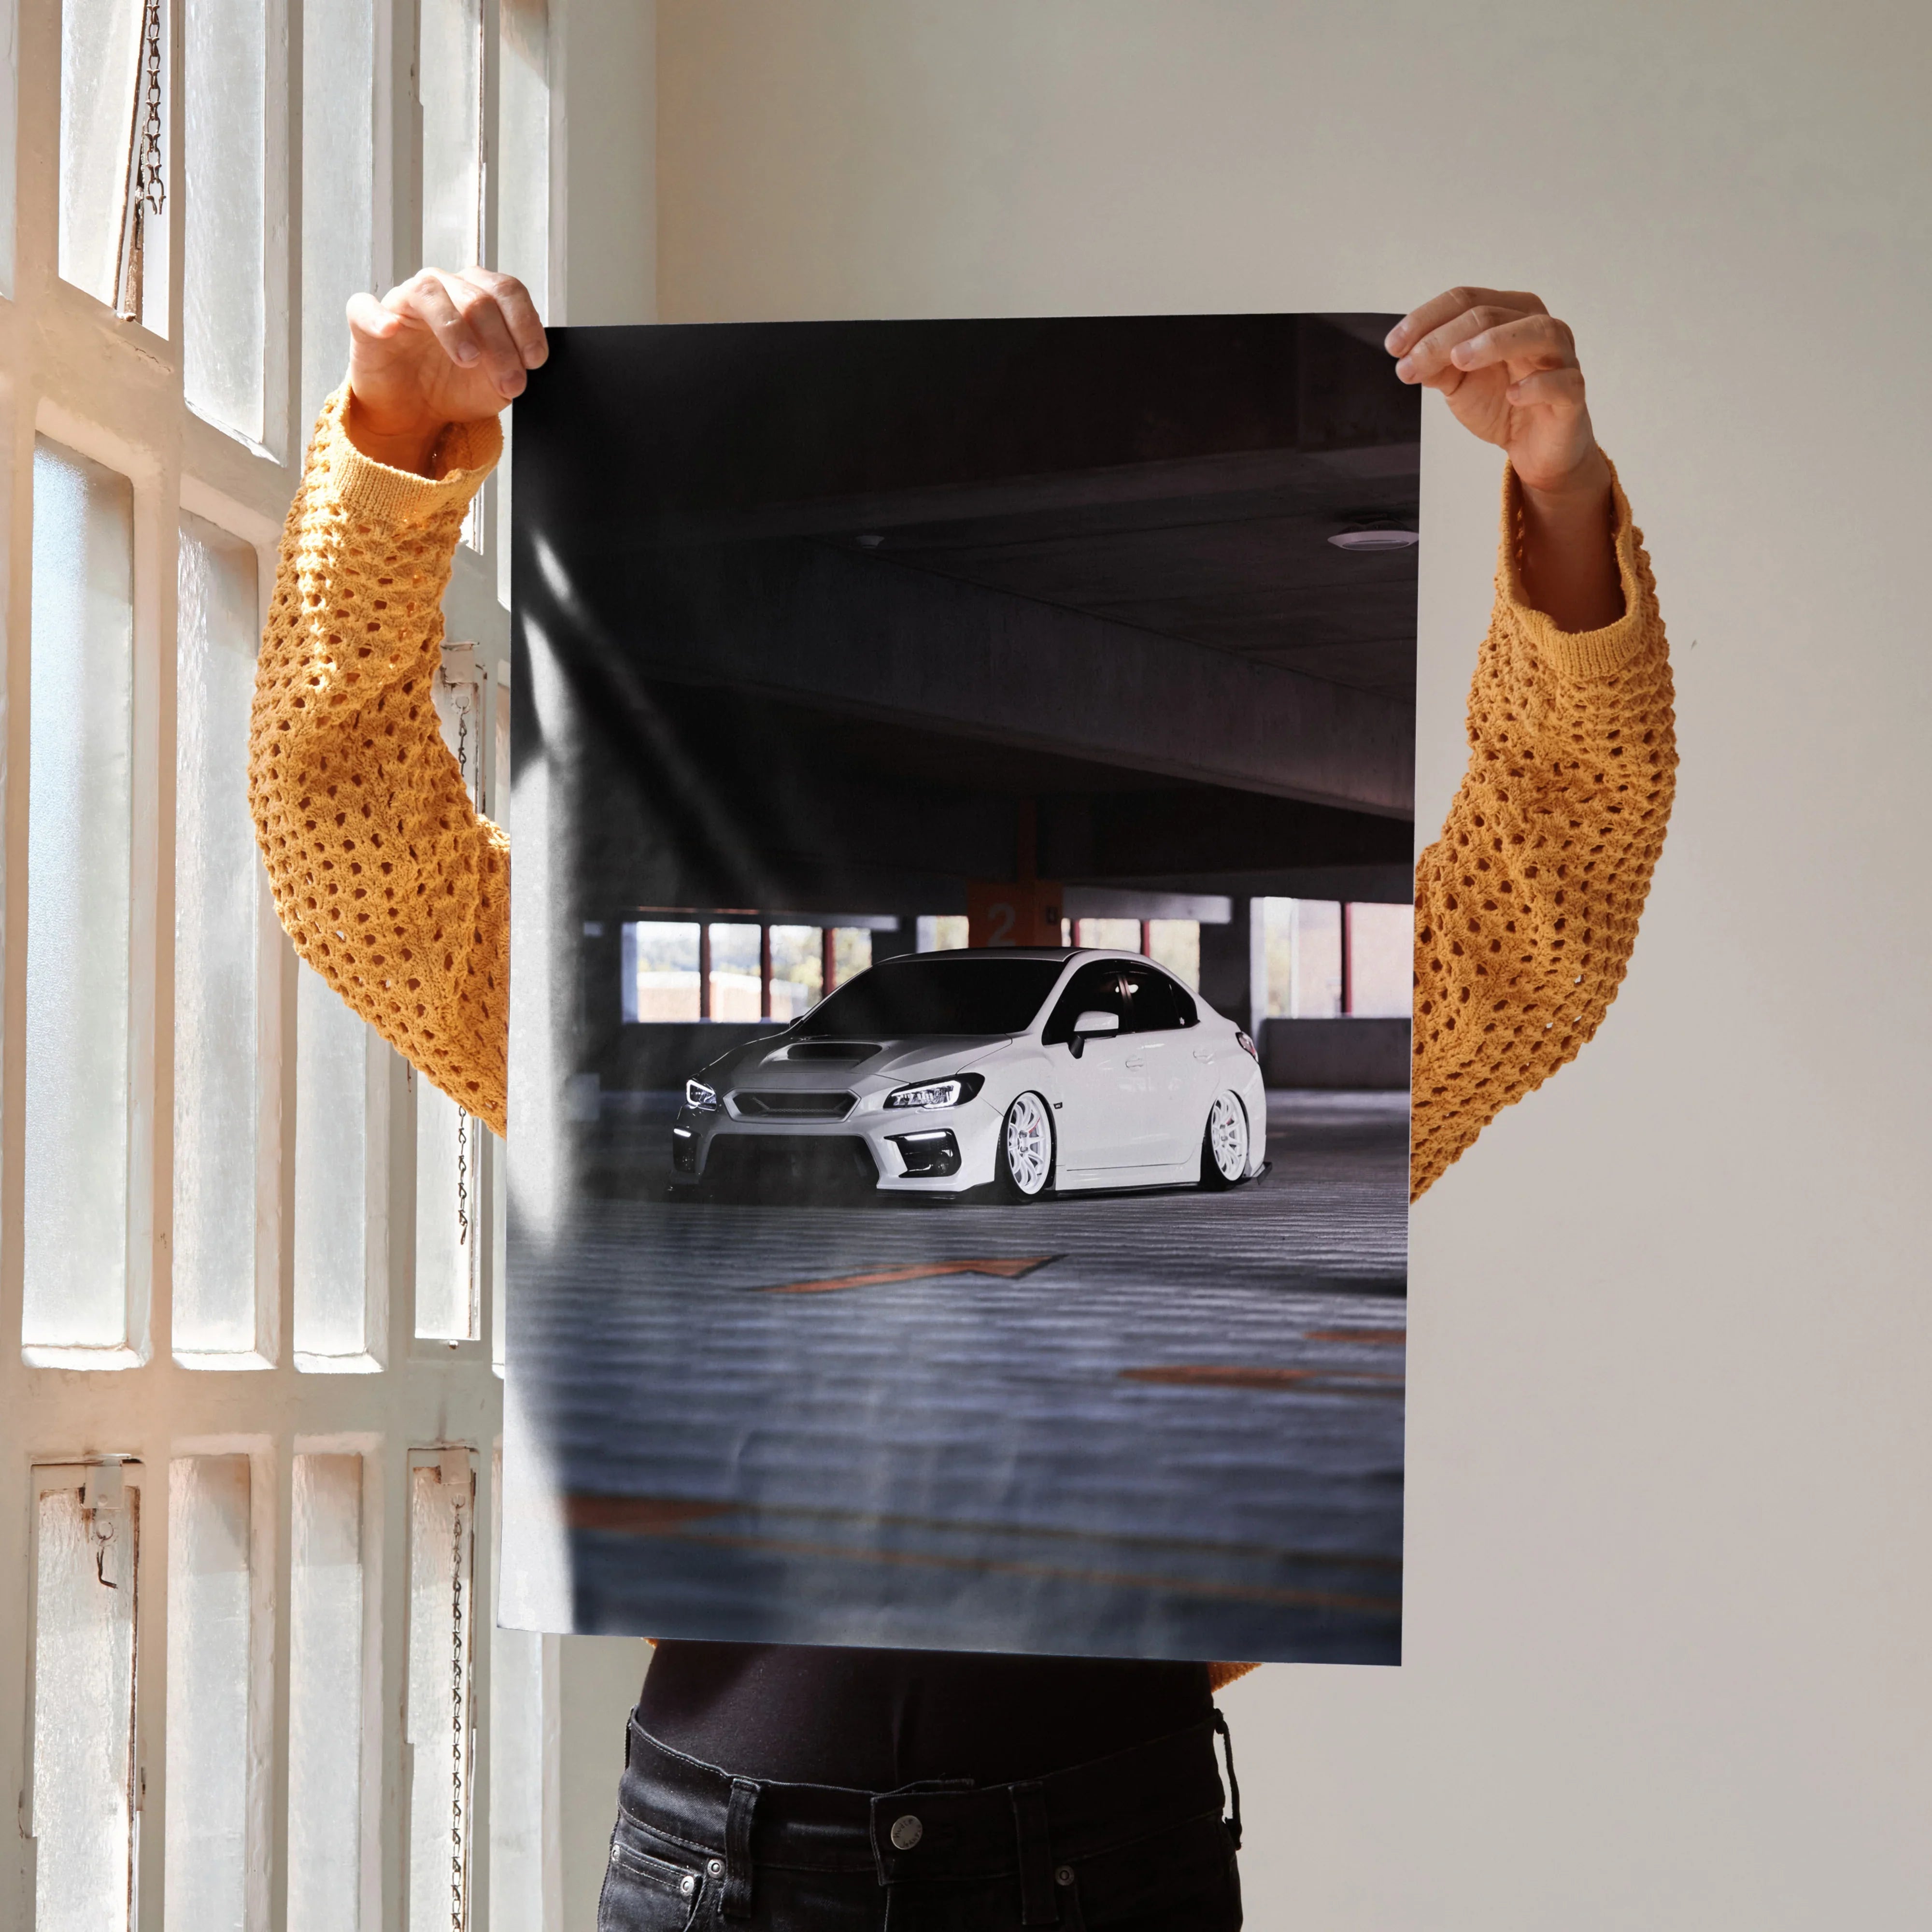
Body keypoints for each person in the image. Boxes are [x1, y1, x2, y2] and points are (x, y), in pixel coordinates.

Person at [250, 271, 1674, 1930]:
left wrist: (1560, 497)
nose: (1001, 917)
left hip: (1102, 1851)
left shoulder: (1225, 1116)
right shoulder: (633, 1076)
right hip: (725, 1862)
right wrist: (392, 447)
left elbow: (1547, 902)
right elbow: (347, 841)